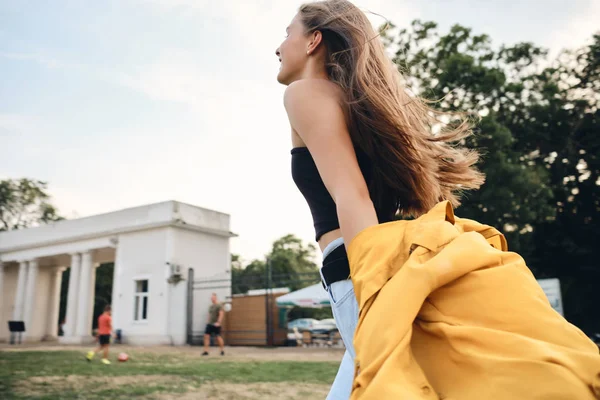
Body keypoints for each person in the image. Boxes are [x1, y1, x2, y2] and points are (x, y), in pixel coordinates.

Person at [276, 1, 600, 399]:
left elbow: (351, 192)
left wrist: (375, 290)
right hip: (385, 261)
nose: (279, 46)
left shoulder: (303, 93)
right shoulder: (357, 103)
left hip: (360, 268)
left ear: (313, 41)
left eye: (287, 33)